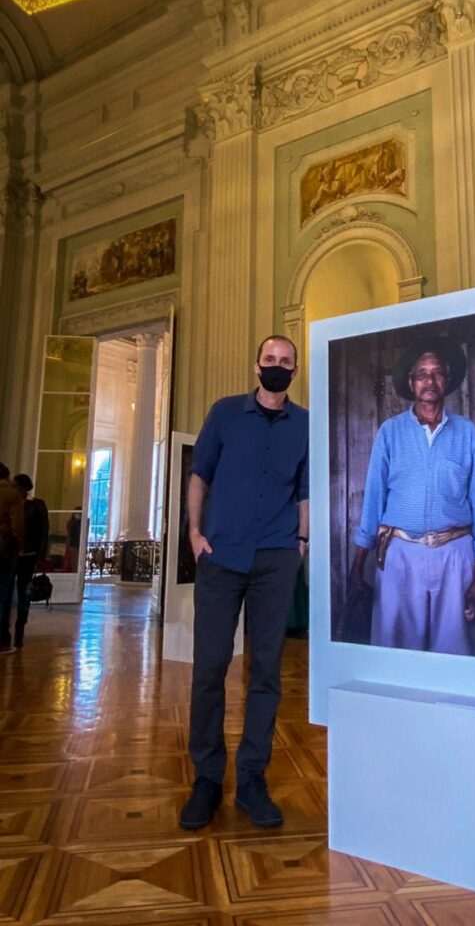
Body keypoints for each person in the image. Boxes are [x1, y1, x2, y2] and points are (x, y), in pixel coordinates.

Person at [180, 335, 309, 832]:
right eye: (270, 359)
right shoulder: (226, 413)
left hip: (276, 558)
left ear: (294, 370)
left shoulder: (303, 424)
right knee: (210, 669)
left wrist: (301, 541)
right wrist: (193, 532)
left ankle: (252, 777)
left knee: (267, 672)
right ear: (256, 365)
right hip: (221, 555)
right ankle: (207, 779)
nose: (277, 366)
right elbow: (199, 474)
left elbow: (305, 489)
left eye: (285, 361)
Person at [348, 337, 475, 656]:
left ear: (448, 380)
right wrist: (357, 566)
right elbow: (373, 499)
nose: (429, 380)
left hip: (456, 555)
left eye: (437, 373)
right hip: (399, 554)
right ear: (410, 383)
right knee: (395, 652)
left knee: (457, 652)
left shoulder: (468, 433)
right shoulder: (390, 432)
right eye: (421, 374)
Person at [1, 475, 48, 648]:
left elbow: (44, 531)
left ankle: (20, 630)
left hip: (29, 555)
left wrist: (41, 557)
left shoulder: (37, 505)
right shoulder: (11, 501)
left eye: (15, 485)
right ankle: (4, 632)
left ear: (23, 488)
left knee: (24, 594)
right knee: (5, 593)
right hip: (10, 555)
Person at [0, 462, 24, 655]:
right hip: (4, 551)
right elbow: (17, 526)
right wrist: (18, 546)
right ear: (7, 477)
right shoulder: (12, 495)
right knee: (2, 595)